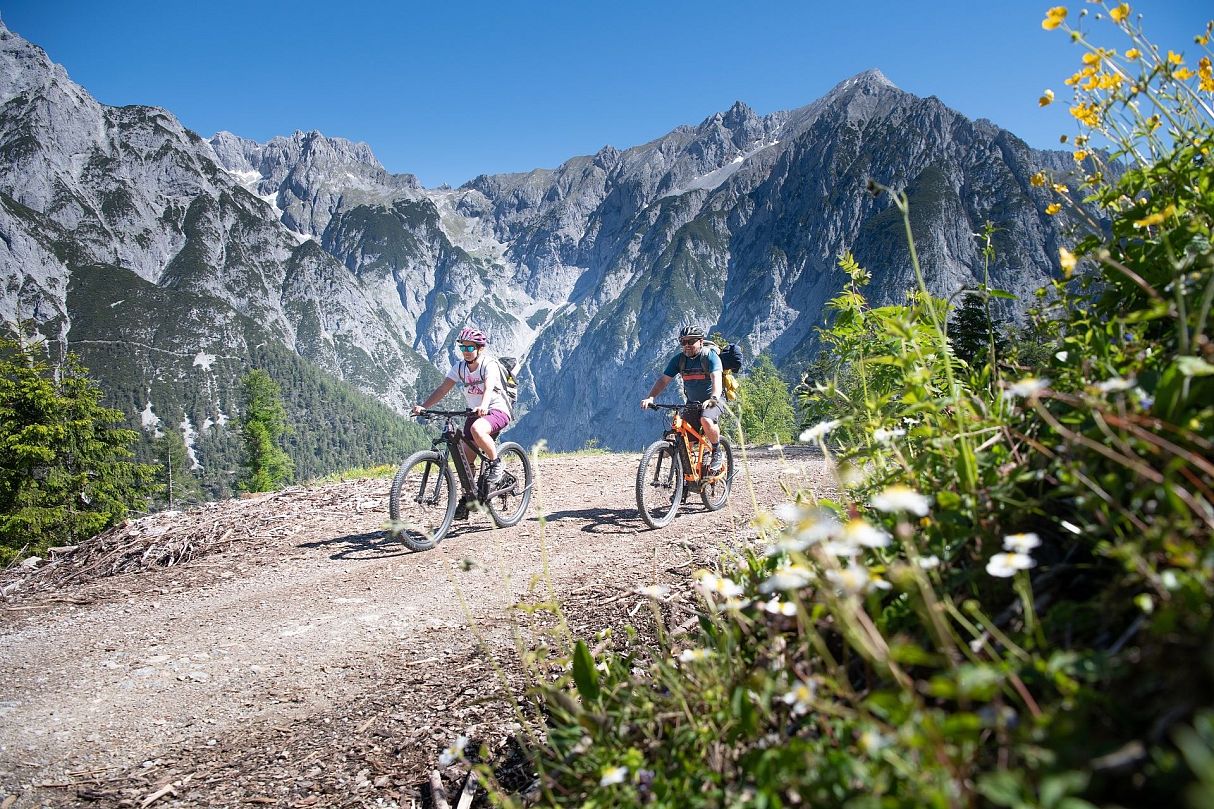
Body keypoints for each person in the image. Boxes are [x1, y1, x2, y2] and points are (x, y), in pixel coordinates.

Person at [413, 327, 511, 515]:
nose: (465, 352)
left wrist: (483, 404)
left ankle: (496, 463)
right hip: (473, 413)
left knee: (477, 429)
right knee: (465, 460)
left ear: (479, 349)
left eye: (469, 348)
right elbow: (443, 389)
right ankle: (469, 498)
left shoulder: (487, 365)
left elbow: (489, 386)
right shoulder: (459, 368)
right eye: (463, 348)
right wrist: (424, 406)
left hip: (496, 409)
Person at [640, 325, 726, 474]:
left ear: (700, 341)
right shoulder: (679, 360)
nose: (687, 345)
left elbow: (716, 379)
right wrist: (651, 397)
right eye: (683, 342)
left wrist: (713, 398)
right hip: (693, 403)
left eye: (691, 341)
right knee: (685, 443)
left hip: (714, 399)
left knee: (706, 420)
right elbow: (663, 380)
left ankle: (717, 450)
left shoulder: (709, 357)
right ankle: (684, 484)